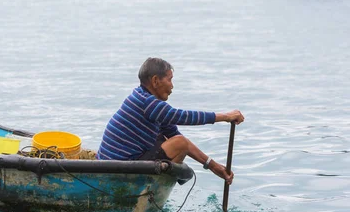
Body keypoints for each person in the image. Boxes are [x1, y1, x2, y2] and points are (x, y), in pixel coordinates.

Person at [97, 57, 244, 185]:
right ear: (155, 81)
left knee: (170, 139)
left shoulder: (144, 100)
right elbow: (183, 117)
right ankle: (146, 192)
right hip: (116, 170)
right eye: (169, 79)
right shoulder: (147, 103)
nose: (172, 86)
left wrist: (213, 166)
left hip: (118, 165)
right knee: (179, 143)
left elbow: (174, 135)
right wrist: (225, 116)